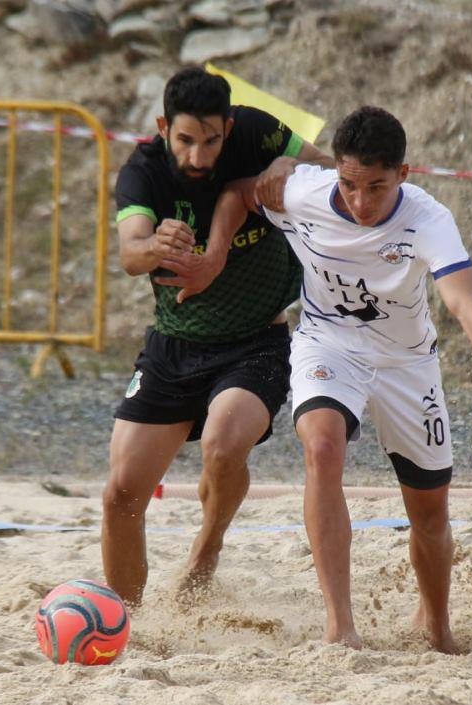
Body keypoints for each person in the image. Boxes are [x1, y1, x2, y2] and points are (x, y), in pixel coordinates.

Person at [204, 106, 472, 652]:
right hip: (328, 344)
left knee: (429, 512)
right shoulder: (305, 192)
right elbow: (236, 195)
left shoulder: (428, 219)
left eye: (376, 188)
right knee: (321, 447)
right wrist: (216, 251)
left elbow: (466, 305)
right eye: (350, 184)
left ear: (403, 176)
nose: (361, 202)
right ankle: (340, 626)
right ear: (335, 170)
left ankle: (437, 627)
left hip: (407, 363)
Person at [101, 67, 333, 609]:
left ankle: (206, 550)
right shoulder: (144, 170)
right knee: (120, 496)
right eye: (185, 140)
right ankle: (123, 619)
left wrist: (288, 163)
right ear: (163, 127)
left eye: (211, 140)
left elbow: (330, 167)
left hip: (257, 339)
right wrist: (156, 245)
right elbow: (129, 254)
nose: (199, 156)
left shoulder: (255, 131)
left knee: (224, 446)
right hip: (175, 343)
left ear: (228, 127)